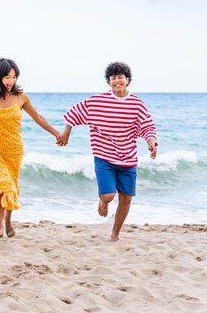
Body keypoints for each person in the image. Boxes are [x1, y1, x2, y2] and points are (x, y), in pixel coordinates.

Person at [58, 62, 158, 241]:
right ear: (109, 82)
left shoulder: (137, 104)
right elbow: (74, 113)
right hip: (104, 156)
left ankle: (115, 233)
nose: (117, 80)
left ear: (127, 80)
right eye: (113, 78)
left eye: (120, 77)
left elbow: (147, 125)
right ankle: (103, 201)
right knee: (109, 195)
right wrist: (66, 133)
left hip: (128, 159)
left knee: (126, 198)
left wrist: (151, 142)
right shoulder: (97, 102)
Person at [0, 58, 62, 238]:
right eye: (7, 77)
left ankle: (8, 220)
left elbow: (38, 117)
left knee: (11, 186)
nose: (10, 81)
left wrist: (56, 133)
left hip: (14, 148)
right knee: (0, 185)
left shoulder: (21, 97)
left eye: (14, 77)